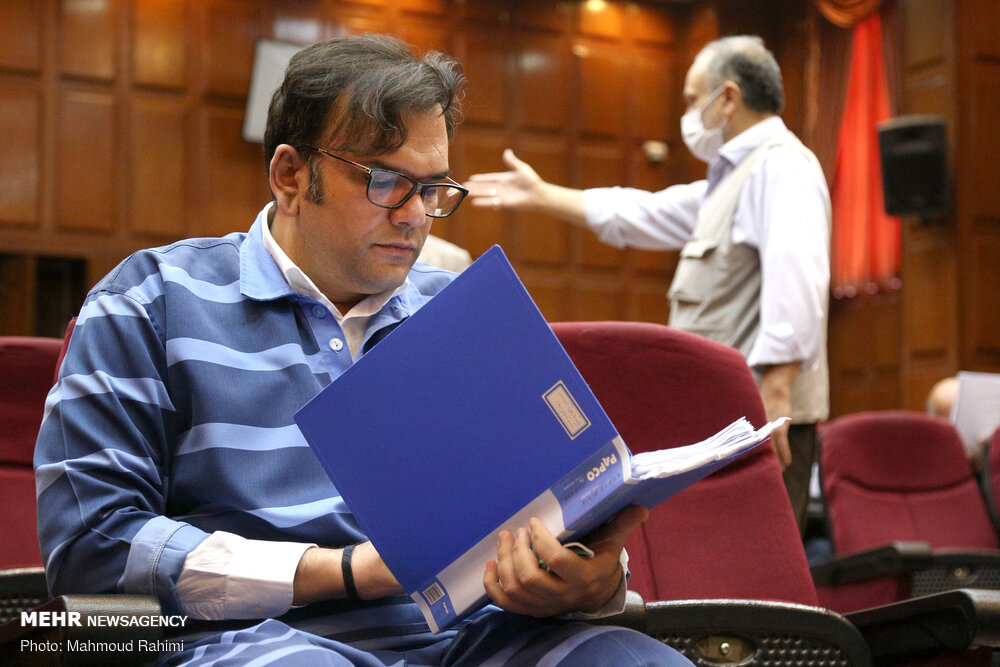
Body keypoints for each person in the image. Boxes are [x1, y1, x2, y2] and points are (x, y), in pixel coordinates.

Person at [33, 34, 691, 666]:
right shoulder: (152, 300)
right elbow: (92, 544)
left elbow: (555, 505)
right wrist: (344, 572)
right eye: (385, 181)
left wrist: (593, 582)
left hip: (476, 640)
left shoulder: (461, 312)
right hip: (257, 640)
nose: (415, 215)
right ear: (291, 175)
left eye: (432, 188)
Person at [465, 35, 831, 533]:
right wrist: (543, 194)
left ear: (728, 97)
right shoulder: (732, 178)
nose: (689, 113)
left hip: (762, 413)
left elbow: (798, 278)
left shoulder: (780, 165)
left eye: (693, 98)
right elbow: (639, 212)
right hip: (730, 416)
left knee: (762, 558)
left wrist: (779, 389)